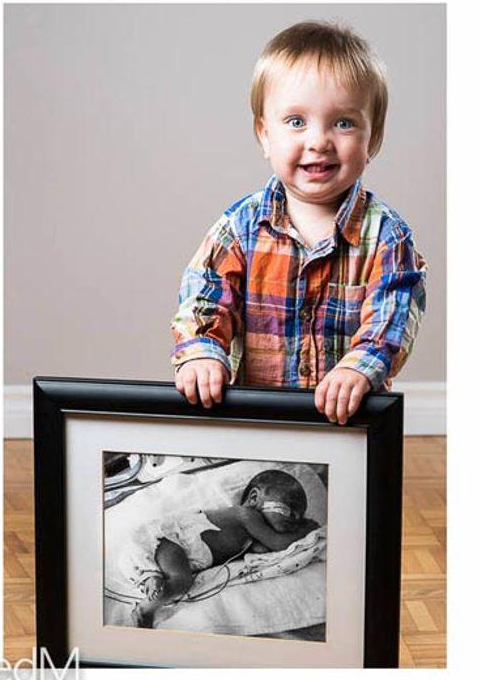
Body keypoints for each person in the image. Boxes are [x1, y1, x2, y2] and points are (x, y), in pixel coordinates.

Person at [171, 21, 427, 425]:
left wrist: (358, 367)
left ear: (372, 138)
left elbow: (393, 318)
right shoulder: (240, 227)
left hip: (347, 424)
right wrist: (202, 351)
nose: (319, 141)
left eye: (344, 122)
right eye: (296, 122)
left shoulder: (387, 237)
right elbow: (204, 294)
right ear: (264, 135)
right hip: (256, 422)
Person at [117, 470, 320, 628]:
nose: (295, 520)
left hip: (178, 551)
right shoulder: (246, 516)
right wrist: (306, 529)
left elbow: (264, 549)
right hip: (173, 541)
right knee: (181, 581)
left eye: (299, 517)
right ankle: (145, 609)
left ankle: (154, 577)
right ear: (254, 498)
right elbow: (278, 543)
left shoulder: (252, 534)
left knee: (175, 578)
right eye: (288, 510)